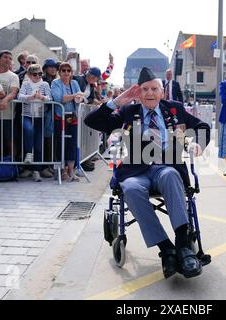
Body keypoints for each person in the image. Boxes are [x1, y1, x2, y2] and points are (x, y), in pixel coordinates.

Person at [84, 67, 210, 279]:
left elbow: (203, 126)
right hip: (135, 169)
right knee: (131, 188)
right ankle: (166, 248)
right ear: (138, 93)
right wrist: (118, 101)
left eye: (154, 89)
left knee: (171, 175)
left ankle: (183, 246)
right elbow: (92, 122)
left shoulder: (174, 109)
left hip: (166, 166)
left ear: (161, 92)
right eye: (144, 89)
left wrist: (198, 144)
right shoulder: (128, 111)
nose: (150, 93)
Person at [18, 64, 52, 182]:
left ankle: (36, 170)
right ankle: (28, 153)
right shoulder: (26, 84)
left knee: (38, 145)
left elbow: (50, 98)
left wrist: (41, 97)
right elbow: (20, 96)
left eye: (39, 74)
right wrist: (30, 97)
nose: (37, 76)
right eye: (34, 74)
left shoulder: (45, 84)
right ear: (29, 74)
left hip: (40, 117)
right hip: (27, 115)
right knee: (29, 130)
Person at [51, 62, 84, 182]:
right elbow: (59, 98)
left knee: (72, 143)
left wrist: (77, 97)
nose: (66, 73)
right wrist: (75, 95)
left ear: (71, 73)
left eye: (68, 71)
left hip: (72, 117)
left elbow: (80, 98)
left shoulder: (74, 83)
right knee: (61, 143)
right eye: (63, 70)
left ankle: (71, 171)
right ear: (59, 72)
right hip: (60, 117)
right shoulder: (55, 83)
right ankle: (62, 170)